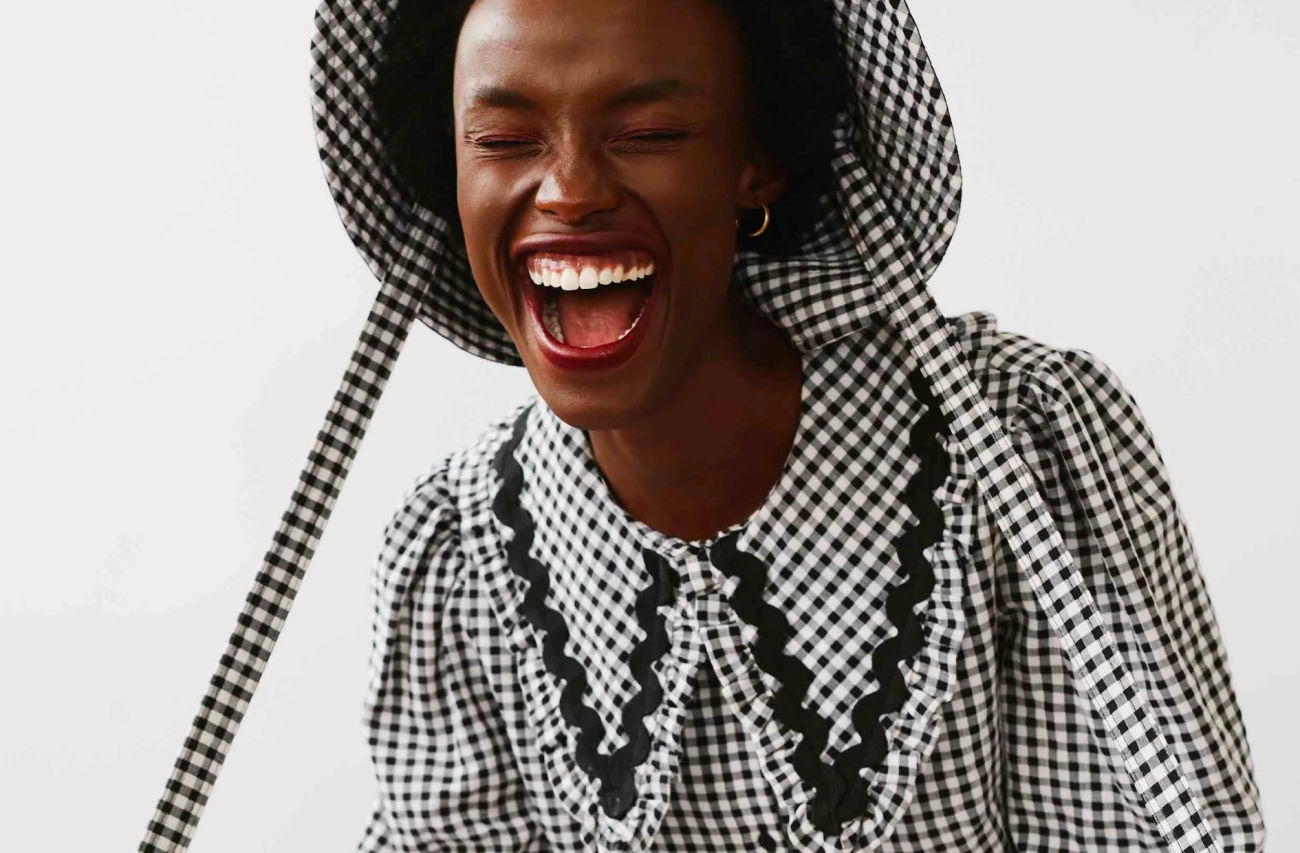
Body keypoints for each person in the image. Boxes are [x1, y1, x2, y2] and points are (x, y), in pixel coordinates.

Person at [301, 0, 1266, 849]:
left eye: (647, 130)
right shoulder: (460, 555)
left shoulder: (1017, 454)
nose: (570, 191)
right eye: (503, 140)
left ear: (755, 161)